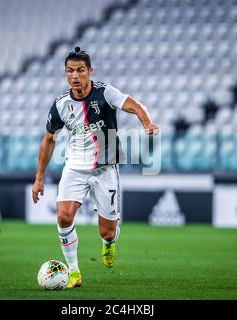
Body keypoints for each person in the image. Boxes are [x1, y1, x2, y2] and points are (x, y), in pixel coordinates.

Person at [31, 47, 159, 288]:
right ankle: (74, 273)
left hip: (105, 169)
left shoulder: (105, 93)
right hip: (75, 168)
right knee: (63, 217)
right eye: (70, 71)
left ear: (90, 71)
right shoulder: (60, 105)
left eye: (80, 70)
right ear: (66, 73)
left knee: (107, 232)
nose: (75, 76)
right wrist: (39, 178)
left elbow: (133, 105)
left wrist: (147, 122)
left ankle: (108, 245)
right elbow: (49, 140)